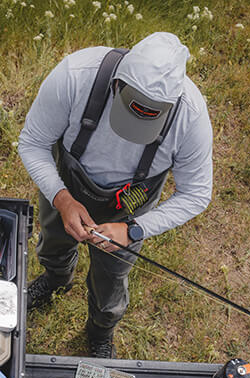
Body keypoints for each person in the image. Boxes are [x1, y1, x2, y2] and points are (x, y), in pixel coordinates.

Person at [18, 31, 213, 359]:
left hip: (131, 204)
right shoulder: (74, 77)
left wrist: (133, 229)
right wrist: (62, 198)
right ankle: (56, 278)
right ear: (117, 84)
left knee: (112, 278)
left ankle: (100, 330)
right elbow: (33, 142)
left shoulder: (190, 116)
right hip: (68, 181)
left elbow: (196, 194)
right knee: (53, 241)